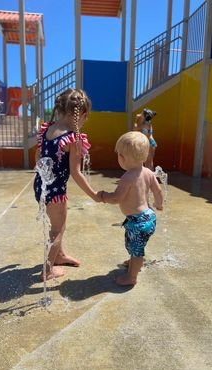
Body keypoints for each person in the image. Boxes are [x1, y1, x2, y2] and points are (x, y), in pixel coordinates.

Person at [34, 88, 100, 280]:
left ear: (60, 109)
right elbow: (76, 173)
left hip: (41, 186)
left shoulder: (47, 130)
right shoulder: (73, 138)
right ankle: (47, 270)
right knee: (58, 230)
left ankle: (60, 256)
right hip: (56, 192)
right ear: (83, 115)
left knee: (56, 225)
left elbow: (38, 156)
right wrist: (94, 194)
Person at [98, 131, 163, 286]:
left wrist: (103, 196)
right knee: (132, 244)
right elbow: (158, 191)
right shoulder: (148, 173)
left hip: (137, 221)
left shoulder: (127, 177)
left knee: (136, 248)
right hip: (148, 217)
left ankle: (131, 277)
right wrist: (159, 204)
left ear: (123, 158)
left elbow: (116, 198)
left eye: (119, 155)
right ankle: (135, 260)